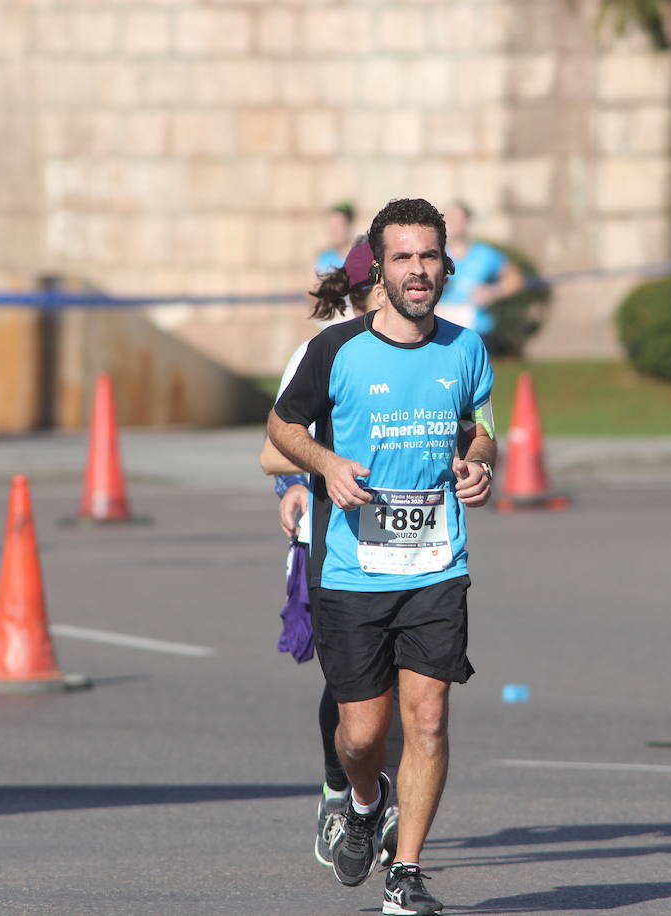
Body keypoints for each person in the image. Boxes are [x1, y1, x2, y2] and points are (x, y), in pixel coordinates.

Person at [268, 198, 497, 916]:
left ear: (445, 264)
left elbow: (480, 425)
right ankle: (363, 799)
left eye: (429, 256)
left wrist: (479, 464)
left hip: (437, 564)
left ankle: (407, 872)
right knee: (363, 733)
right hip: (350, 568)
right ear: (380, 270)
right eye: (403, 258)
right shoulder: (336, 351)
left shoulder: (466, 348)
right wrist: (323, 466)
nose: (418, 270)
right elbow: (280, 427)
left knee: (426, 720)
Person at [260, 240, 400, 870]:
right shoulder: (326, 348)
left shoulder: (421, 346)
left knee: (404, 682)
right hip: (334, 536)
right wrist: (296, 483)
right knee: (352, 682)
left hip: (406, 540)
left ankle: (380, 808)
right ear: (366, 287)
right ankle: (339, 787)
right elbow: (273, 446)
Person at [434, 200, 523, 337]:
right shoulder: (433, 253)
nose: (454, 224)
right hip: (440, 327)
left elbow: (516, 279)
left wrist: (492, 291)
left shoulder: (485, 254)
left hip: (477, 329)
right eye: (450, 219)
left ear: (468, 221)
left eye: (459, 219)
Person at [314, 202, 356, 276]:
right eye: (331, 227)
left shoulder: (362, 259)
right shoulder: (323, 258)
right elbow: (313, 285)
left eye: (338, 226)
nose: (333, 231)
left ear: (349, 226)